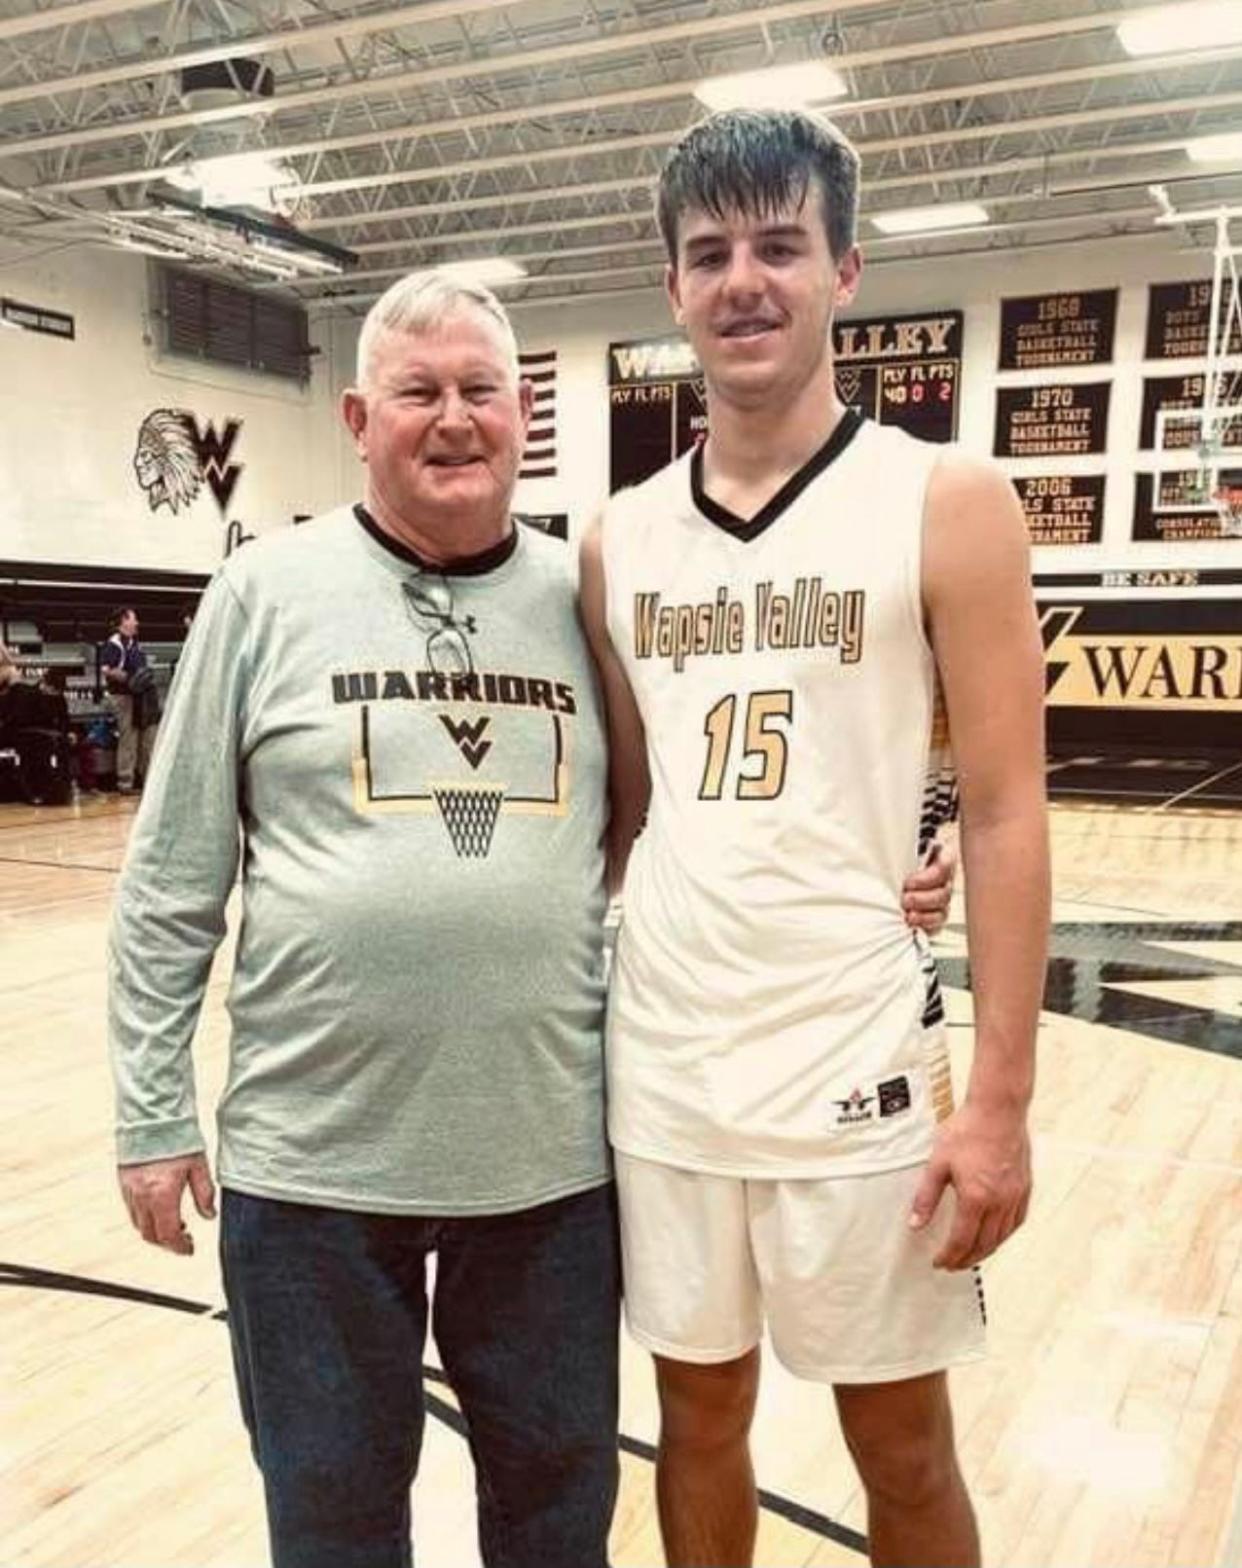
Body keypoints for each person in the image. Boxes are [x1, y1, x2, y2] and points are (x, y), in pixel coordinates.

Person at [108, 271, 956, 1568]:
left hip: (550, 1174)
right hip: (311, 1177)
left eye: (481, 392)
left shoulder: (590, 596)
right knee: (330, 1526)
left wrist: (864, 871)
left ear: (520, 417)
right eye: (418, 392)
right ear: (354, 416)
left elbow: (692, 808)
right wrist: (155, 1112)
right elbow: (170, 884)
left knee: (558, 1526)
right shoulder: (260, 594)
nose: (454, 420)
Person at [580, 109, 1050, 1568]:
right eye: (709, 253)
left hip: (853, 1060)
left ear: (845, 268)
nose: (744, 281)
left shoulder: (946, 500)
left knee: (900, 1448)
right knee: (694, 1420)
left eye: (779, 245)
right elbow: (628, 808)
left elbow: (1001, 809)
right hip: (664, 1062)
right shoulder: (611, 540)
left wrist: (998, 1102)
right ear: (671, 290)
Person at [100, 607, 158, 792]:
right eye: (134, 619)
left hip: (140, 698)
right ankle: (125, 781)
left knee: (147, 740)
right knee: (129, 739)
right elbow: (107, 669)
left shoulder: (134, 643)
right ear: (123, 621)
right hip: (121, 697)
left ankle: (147, 780)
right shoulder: (113, 644)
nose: (137, 623)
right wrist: (129, 679)